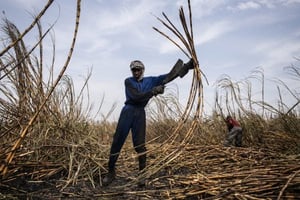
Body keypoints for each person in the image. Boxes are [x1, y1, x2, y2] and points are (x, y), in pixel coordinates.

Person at [102, 58, 194, 186]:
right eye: (133, 70)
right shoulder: (128, 81)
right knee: (117, 142)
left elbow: (168, 76)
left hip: (140, 113)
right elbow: (136, 97)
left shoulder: (151, 80)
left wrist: (187, 67)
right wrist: (153, 91)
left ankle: (142, 175)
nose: (136, 72)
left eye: (138, 70)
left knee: (140, 146)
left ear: (142, 70)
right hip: (128, 112)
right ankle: (111, 172)